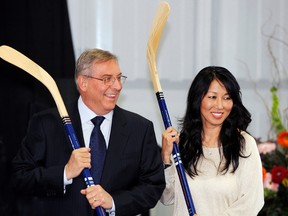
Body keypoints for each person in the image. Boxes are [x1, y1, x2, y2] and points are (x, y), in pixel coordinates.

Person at [11, 48, 165, 216]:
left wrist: (113, 202)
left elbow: (153, 187)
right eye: (107, 79)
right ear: (83, 82)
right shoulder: (47, 123)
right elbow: (20, 177)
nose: (117, 86)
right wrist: (65, 172)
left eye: (119, 78)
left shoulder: (140, 129)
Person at [160, 66, 264, 216]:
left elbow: (252, 202)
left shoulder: (244, 144)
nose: (220, 105)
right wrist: (166, 158)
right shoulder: (181, 144)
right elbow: (167, 197)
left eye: (227, 98)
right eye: (212, 97)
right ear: (198, 99)